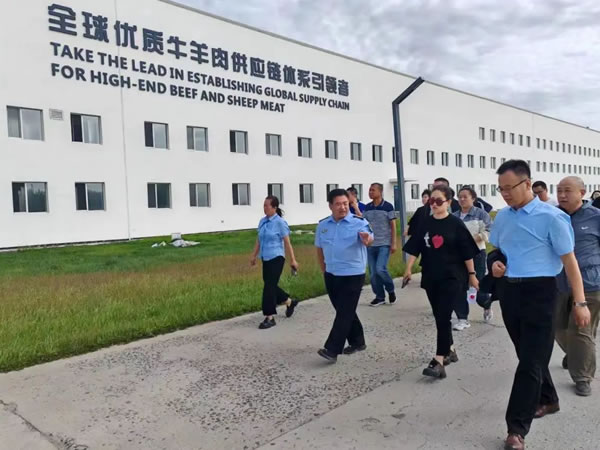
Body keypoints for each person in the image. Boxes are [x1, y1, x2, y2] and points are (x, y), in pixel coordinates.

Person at [489, 160, 590, 450]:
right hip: (511, 292)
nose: (505, 194)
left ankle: (516, 429)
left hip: (542, 293)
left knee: (530, 363)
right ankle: (549, 399)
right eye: (500, 189)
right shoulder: (503, 217)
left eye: (509, 188)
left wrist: (580, 302)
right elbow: (498, 249)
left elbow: (569, 262)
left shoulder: (552, 217)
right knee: (528, 354)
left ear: (527, 184)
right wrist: (495, 262)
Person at [402, 185, 480, 379]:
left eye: (439, 201)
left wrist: (472, 274)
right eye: (432, 201)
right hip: (431, 275)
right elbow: (415, 247)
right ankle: (450, 349)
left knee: (443, 316)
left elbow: (467, 252)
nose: (434, 204)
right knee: (439, 315)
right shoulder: (425, 223)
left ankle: (438, 361)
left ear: (448, 202)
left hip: (452, 276)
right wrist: (408, 268)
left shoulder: (455, 224)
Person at [315, 189, 374, 363]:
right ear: (330, 206)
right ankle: (358, 341)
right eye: (338, 204)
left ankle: (332, 349)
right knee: (344, 310)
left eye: (345, 204)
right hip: (332, 273)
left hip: (353, 273)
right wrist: (324, 270)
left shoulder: (359, 222)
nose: (343, 207)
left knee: (344, 312)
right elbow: (319, 249)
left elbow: (369, 237)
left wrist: (367, 240)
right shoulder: (323, 226)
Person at [554, 176, 600, 397]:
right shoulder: (552, 216)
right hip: (557, 282)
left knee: (581, 331)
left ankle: (582, 377)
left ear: (582, 193)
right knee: (557, 327)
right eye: (559, 191)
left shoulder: (596, 217)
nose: (562, 195)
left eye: (567, 190)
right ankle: (574, 354)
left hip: (590, 282)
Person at [250, 196, 299, 329]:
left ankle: (269, 317)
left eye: (267, 205)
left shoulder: (280, 223)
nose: (265, 208)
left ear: (274, 207)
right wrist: (254, 256)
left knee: (269, 287)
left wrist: (293, 260)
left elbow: (287, 243)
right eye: (264, 205)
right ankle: (289, 302)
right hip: (265, 257)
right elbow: (259, 240)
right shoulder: (262, 221)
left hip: (277, 257)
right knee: (269, 284)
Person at [453, 186, 492, 327]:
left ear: (473, 198)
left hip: (477, 254)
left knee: (478, 285)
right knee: (459, 286)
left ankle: (486, 304)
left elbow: (489, 231)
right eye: (460, 197)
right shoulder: (454, 216)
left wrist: (473, 238)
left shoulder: (481, 214)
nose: (462, 199)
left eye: (465, 197)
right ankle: (462, 318)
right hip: (458, 256)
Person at [363, 183, 397, 306]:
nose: (370, 192)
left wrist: (393, 243)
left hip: (384, 243)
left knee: (380, 269)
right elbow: (363, 224)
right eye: (369, 190)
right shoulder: (367, 207)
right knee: (373, 273)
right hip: (370, 244)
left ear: (380, 192)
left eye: (373, 190)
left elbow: (393, 226)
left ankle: (390, 289)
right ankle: (379, 296)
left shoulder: (388, 206)